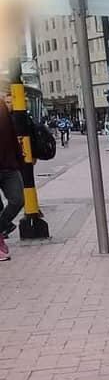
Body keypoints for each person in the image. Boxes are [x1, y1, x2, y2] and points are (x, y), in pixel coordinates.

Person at [0, 93, 24, 261]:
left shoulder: (2, 107)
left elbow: (11, 135)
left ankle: (1, 228)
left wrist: (19, 161)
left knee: (17, 199)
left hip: (8, 166)